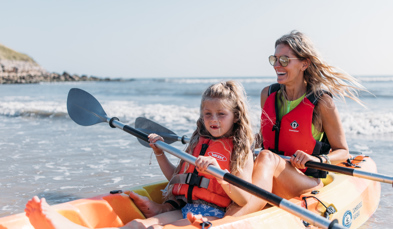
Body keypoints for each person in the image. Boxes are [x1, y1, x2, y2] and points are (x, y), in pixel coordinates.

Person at [25, 80, 255, 229]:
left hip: (214, 215)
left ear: (235, 116)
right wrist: (159, 153)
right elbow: (176, 178)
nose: (213, 120)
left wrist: (218, 173)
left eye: (221, 114)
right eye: (208, 113)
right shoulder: (198, 141)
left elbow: (244, 199)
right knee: (138, 225)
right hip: (185, 207)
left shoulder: (241, 149)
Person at [225, 30, 368, 216]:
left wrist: (317, 159)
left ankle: (229, 220)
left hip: (306, 181)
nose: (277, 65)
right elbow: (266, 136)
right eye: (274, 59)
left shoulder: (322, 103)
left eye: (284, 60)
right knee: (254, 158)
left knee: (267, 157)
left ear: (304, 63)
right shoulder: (267, 95)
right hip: (272, 173)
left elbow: (343, 151)